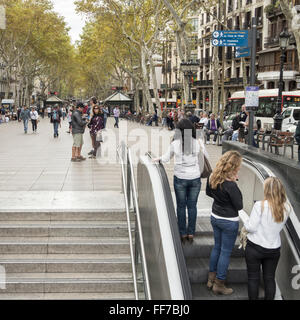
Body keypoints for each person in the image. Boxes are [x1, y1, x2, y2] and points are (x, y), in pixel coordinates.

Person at [156, 119, 205, 244]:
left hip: (180, 178)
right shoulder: (198, 142)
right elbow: (203, 159)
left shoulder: (175, 144)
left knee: (181, 206)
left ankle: (182, 233)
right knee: (192, 206)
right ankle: (191, 233)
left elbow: (166, 159)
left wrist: (157, 159)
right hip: (195, 178)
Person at [244, 177, 290, 300]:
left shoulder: (260, 205)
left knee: (253, 279)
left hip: (254, 248)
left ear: (267, 190)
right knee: (269, 279)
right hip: (273, 250)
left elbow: (251, 227)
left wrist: (246, 223)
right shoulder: (286, 208)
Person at [206, 151, 243, 295]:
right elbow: (239, 205)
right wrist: (234, 182)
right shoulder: (231, 185)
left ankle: (211, 279)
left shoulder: (213, 176)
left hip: (215, 217)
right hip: (229, 222)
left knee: (217, 247)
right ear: (233, 167)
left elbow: (209, 193)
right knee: (225, 252)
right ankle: (219, 284)